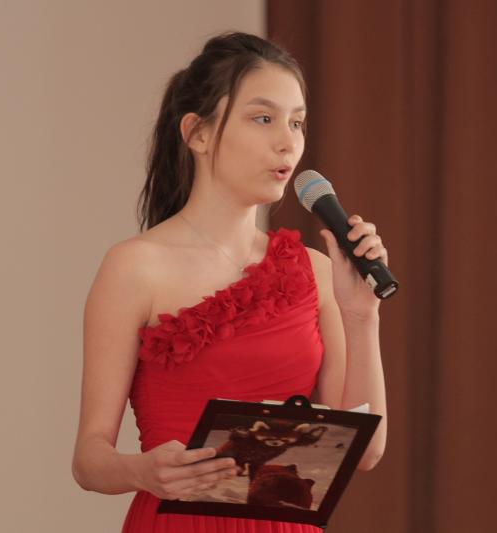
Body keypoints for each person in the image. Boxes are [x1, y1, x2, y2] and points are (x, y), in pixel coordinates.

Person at [71, 32, 388, 532]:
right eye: (263, 118)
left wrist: (362, 315)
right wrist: (142, 470)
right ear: (197, 133)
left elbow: (365, 451)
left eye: (297, 122)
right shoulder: (134, 267)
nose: (288, 141)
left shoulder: (317, 270)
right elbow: (89, 460)